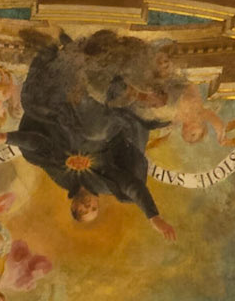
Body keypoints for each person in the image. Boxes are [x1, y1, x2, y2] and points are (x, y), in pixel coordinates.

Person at [10, 34, 176, 238]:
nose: (89, 207)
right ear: (98, 205)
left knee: (34, 104)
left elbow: (42, 148)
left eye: (83, 210)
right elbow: (131, 187)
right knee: (95, 131)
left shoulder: (62, 179)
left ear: (73, 206)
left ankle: (58, 51)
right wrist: (153, 216)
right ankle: (103, 71)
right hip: (109, 129)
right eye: (93, 210)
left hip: (66, 121)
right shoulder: (105, 185)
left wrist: (7, 139)